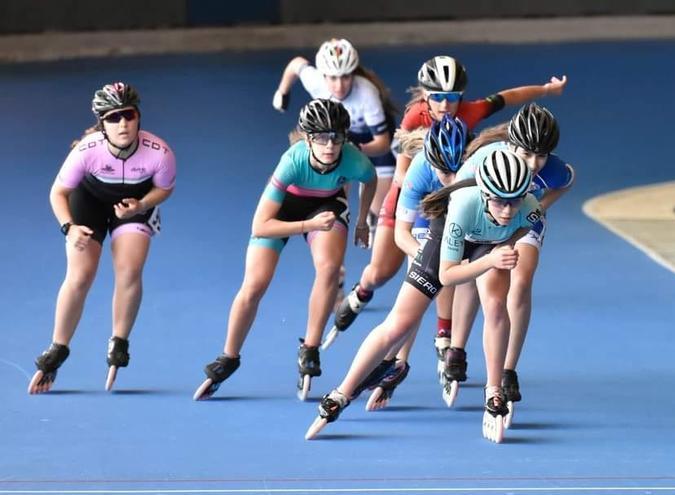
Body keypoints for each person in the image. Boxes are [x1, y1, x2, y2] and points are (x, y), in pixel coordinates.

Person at [329, 54, 567, 348]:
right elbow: (403, 174)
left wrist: (546, 90)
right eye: (438, 97)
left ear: (461, 97)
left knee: (452, 264)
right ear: (426, 96)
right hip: (418, 192)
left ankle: (444, 334)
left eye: (452, 97)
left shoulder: (470, 112)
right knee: (381, 272)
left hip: (454, 195)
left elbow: (509, 97)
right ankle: (363, 290)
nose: (445, 105)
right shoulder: (415, 117)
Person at [306, 149, 541, 444]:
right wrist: (490, 261)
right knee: (398, 325)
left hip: (490, 245)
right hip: (448, 243)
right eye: (499, 201)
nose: (507, 211)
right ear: (483, 193)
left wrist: (502, 245)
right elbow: (447, 277)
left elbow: (521, 225)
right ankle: (341, 393)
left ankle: (493, 392)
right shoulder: (462, 207)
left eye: (514, 201)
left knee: (495, 306)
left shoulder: (531, 207)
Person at [193, 99, 376, 401]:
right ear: (307, 138)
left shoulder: (355, 160)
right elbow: (261, 226)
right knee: (254, 285)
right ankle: (229, 356)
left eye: (336, 138)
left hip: (327, 204)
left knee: (329, 269)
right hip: (286, 209)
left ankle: (311, 348)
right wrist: (309, 225)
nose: (329, 146)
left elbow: (369, 182)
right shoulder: (292, 162)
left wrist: (361, 221)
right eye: (320, 138)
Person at [28, 82, 176, 394]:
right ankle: (58, 347)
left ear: (138, 117)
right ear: (101, 123)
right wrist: (69, 227)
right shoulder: (86, 151)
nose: (122, 123)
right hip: (89, 202)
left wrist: (143, 204)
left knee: (129, 270)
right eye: (113, 118)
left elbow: (165, 188)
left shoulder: (160, 152)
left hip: (134, 204)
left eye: (129, 115)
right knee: (80, 276)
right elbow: (58, 192)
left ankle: (119, 341)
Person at [443, 104, 573, 427]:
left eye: (540, 156)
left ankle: (508, 369)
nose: (533, 164)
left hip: (521, 222)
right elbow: (457, 195)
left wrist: (540, 207)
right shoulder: (484, 161)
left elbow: (567, 179)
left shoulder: (551, 168)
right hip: (482, 219)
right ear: (511, 144)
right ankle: (457, 347)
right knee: (471, 275)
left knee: (520, 282)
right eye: (527, 154)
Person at [353, 115, 468, 410]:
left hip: (461, 213)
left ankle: (448, 338)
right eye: (445, 171)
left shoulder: (474, 167)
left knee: (460, 278)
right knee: (419, 284)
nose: (451, 178)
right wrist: (424, 262)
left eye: (457, 170)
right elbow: (402, 235)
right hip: (423, 212)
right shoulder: (419, 171)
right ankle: (397, 362)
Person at [272, 38, 397, 238]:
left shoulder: (367, 94)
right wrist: (282, 91)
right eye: (332, 78)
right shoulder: (316, 81)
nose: (339, 85)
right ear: (323, 75)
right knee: (334, 202)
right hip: (339, 139)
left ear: (353, 74)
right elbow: (296, 65)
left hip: (372, 143)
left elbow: (382, 144)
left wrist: (355, 149)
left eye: (345, 77)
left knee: (380, 211)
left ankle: (371, 219)